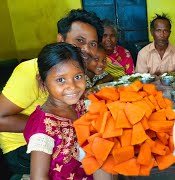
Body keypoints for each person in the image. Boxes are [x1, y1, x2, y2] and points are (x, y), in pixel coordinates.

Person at [0, 9, 103, 178]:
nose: (86, 49)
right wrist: (58, 129)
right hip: (22, 148)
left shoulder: (76, 76)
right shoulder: (30, 72)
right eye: (79, 41)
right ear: (60, 39)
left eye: (92, 44)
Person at [23, 42, 90, 179]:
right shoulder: (43, 129)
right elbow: (38, 177)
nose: (72, 86)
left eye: (77, 77)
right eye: (60, 80)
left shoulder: (78, 105)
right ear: (43, 83)